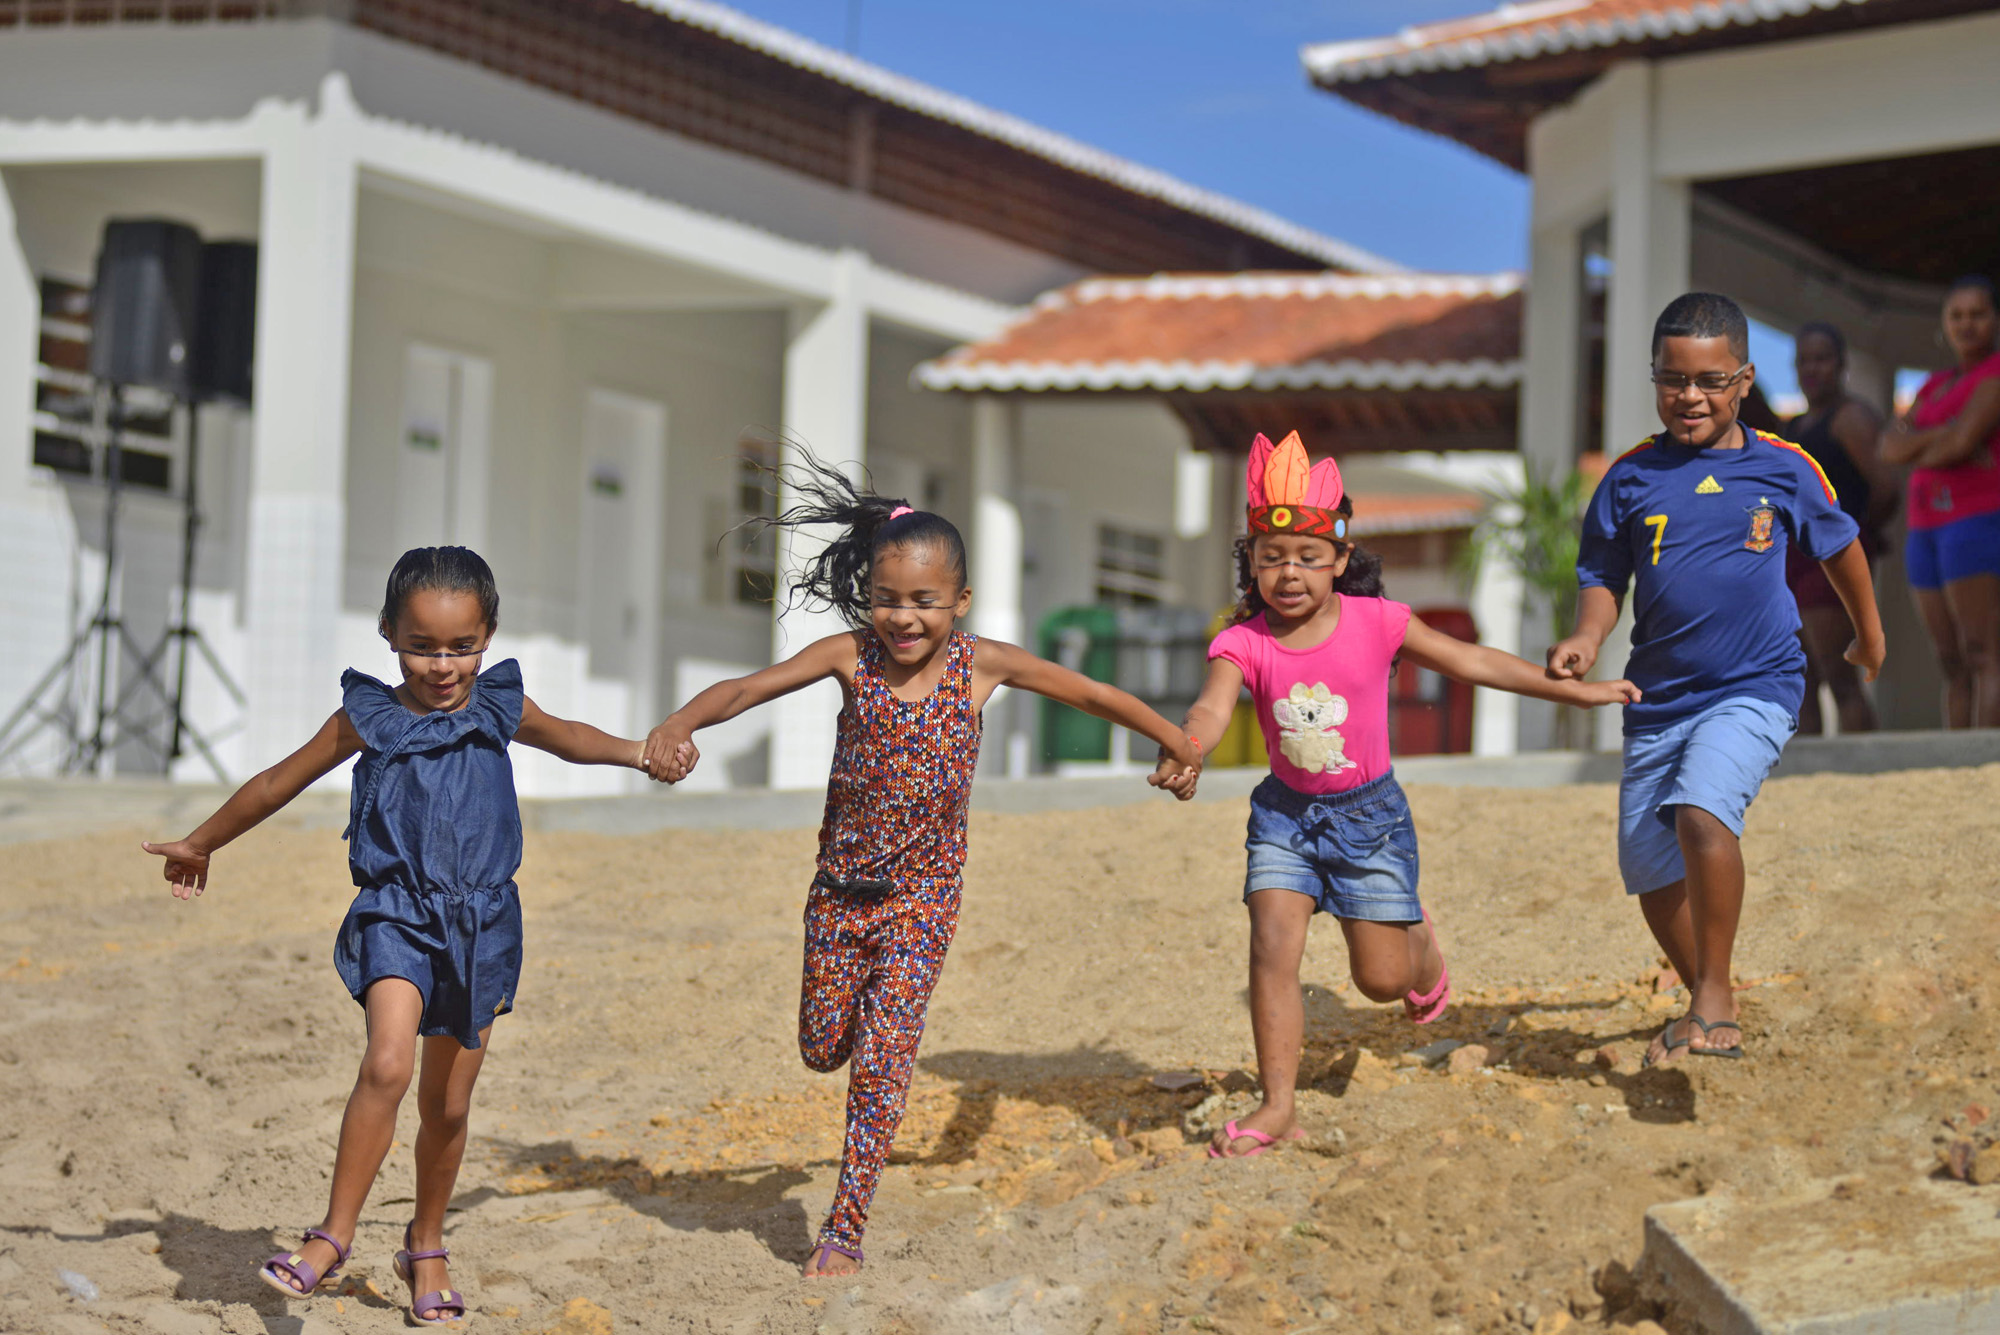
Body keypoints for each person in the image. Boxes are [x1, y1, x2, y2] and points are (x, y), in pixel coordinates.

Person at [641, 456, 1201, 1279]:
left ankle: (844, 1227)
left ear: (959, 602)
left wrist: (1175, 740)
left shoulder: (983, 667)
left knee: (884, 1057)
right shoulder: (849, 655)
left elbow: (1089, 695)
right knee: (823, 1046)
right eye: (889, 597)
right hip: (837, 897)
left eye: (925, 601)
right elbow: (746, 690)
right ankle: (847, 1054)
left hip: (923, 902)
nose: (904, 617)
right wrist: (681, 721)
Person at [142, 547, 660, 1325]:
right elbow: (279, 779)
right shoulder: (368, 717)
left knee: (447, 1105)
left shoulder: (499, 707)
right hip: (396, 912)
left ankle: (426, 1243)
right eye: (423, 646)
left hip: (481, 923)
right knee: (386, 1063)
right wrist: (203, 839)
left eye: (461, 646)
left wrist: (639, 751)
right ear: (388, 632)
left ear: (488, 636)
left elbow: (571, 736)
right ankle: (332, 1235)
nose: (442, 665)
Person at [1157, 431, 1639, 1159]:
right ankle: (1278, 1103)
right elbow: (1211, 710)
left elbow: (1472, 660)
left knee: (1382, 980)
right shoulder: (1242, 641)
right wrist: (1189, 745)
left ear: (1341, 560)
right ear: (1251, 561)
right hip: (1284, 819)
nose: (1290, 573)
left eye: (1309, 558)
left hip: (1370, 820)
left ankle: (1420, 941)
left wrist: (1574, 694)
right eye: (1272, 556)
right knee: (1272, 943)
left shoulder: (1377, 623)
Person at [1548, 293, 1886, 1064]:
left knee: (1701, 813)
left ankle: (1715, 992)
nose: (1689, 397)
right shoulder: (1630, 477)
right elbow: (1604, 574)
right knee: (1651, 865)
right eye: (1672, 379)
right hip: (1657, 698)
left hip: (1757, 683)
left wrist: (1869, 634)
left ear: (1743, 380)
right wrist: (1586, 634)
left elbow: (1842, 548)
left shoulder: (1783, 464)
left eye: (1709, 380)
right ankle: (1703, 984)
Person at [1880, 276, 2000, 728]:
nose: (1966, 324)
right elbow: (1888, 448)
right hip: (1924, 526)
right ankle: (1954, 766)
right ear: (1944, 325)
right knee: (1949, 660)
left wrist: (1928, 442)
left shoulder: (1994, 374)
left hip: (1976, 521)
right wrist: (1947, 435)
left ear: (1996, 320)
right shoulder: (1933, 385)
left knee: (1983, 652)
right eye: (1956, 315)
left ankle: (1988, 766)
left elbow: (1960, 444)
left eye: (1978, 314)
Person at [1787, 321, 1895, 734]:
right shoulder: (1794, 427)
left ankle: (1863, 778)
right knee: (1799, 681)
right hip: (1794, 562)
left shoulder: (1851, 417)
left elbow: (1886, 489)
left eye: (1822, 359)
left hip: (1830, 559)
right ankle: (1813, 781)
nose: (1812, 369)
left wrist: (1854, 540)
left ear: (1841, 365)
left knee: (1839, 674)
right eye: (1803, 361)